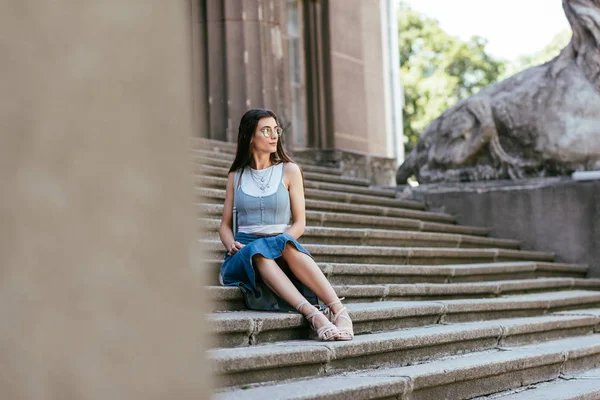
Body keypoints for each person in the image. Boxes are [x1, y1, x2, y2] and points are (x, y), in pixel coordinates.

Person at [218, 108, 353, 341]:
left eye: (276, 130)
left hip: (281, 243)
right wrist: (231, 244)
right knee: (259, 252)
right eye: (266, 130)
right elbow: (224, 225)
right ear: (250, 136)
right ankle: (314, 315)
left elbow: (300, 224)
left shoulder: (289, 171)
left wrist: (278, 242)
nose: (274, 135)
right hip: (244, 252)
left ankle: (340, 312)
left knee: (283, 243)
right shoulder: (236, 176)